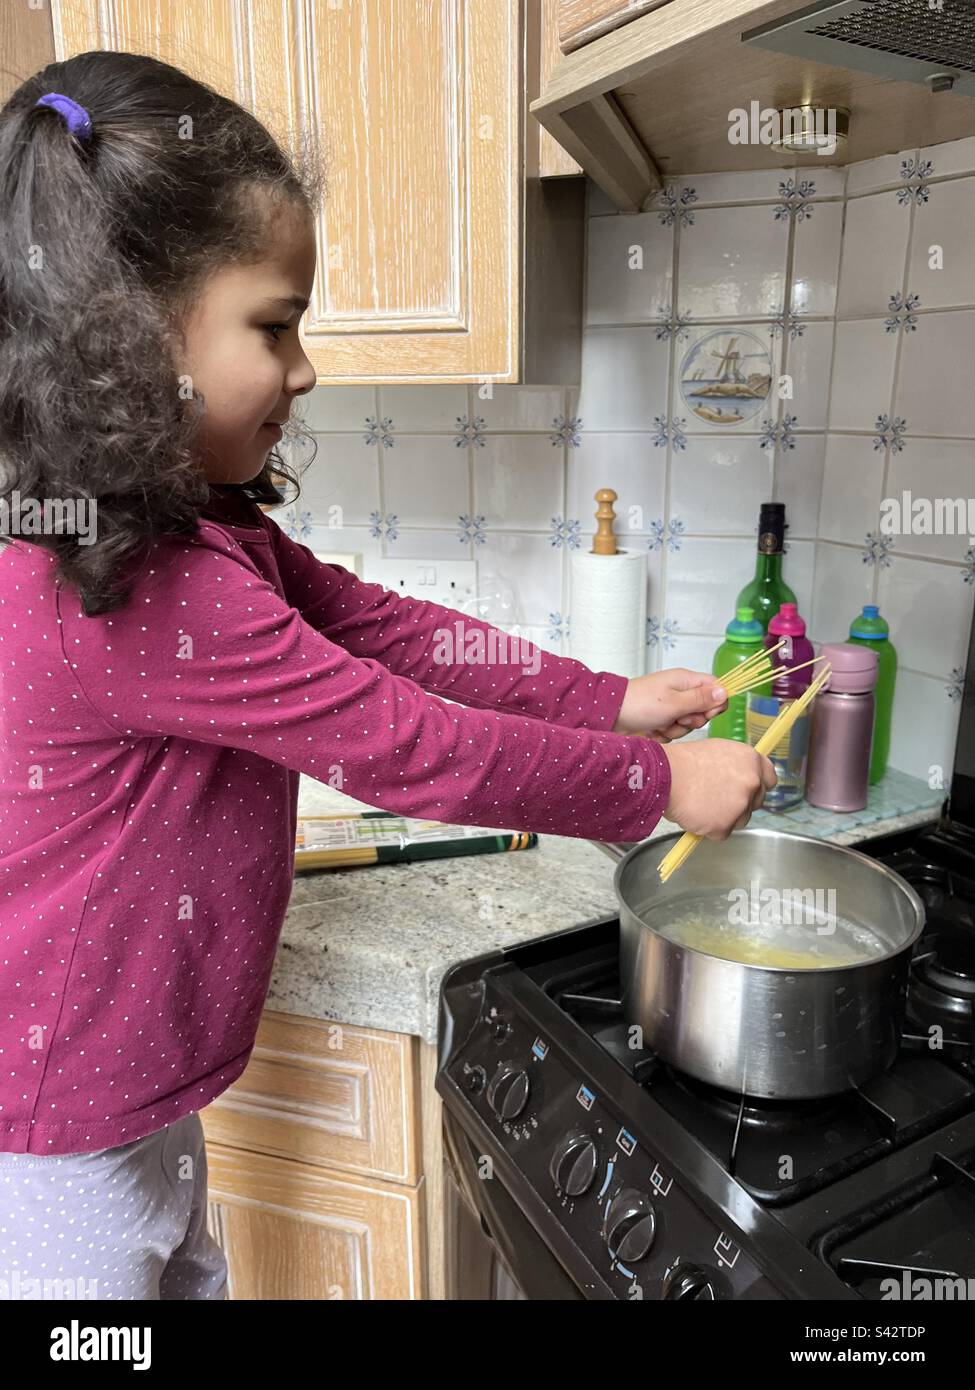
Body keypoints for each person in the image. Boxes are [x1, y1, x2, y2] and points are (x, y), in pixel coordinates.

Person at [0, 51, 775, 1300]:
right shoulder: (139, 582)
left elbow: (388, 629)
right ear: (132, 336)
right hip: (58, 1127)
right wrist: (657, 782)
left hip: (115, 1091)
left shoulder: (189, 525)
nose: (304, 369)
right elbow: (411, 744)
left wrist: (610, 700)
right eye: (275, 325)